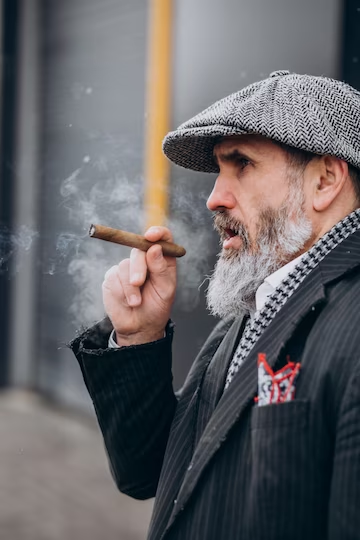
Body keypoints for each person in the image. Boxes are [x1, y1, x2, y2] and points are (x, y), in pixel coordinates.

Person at [71, 70, 360, 540]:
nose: (212, 199)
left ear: (324, 181)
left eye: (241, 164)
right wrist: (139, 336)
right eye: (218, 171)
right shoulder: (253, 311)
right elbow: (151, 474)